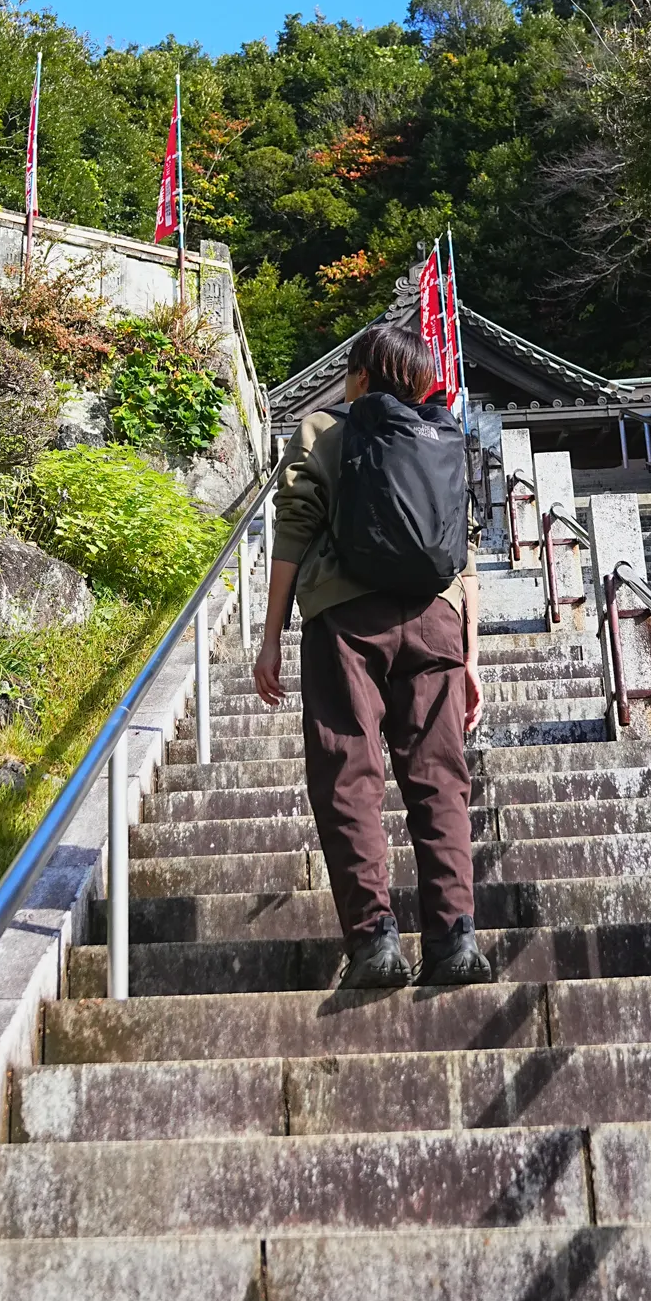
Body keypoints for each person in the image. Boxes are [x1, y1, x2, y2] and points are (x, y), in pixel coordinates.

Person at [254, 322, 488, 988]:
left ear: (358, 377)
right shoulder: (441, 436)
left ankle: (376, 941)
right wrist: (470, 657)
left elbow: (294, 528)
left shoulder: (324, 431)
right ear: (418, 381)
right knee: (441, 776)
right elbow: (461, 552)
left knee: (349, 774)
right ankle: (454, 939)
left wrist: (271, 636)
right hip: (436, 620)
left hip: (345, 622)